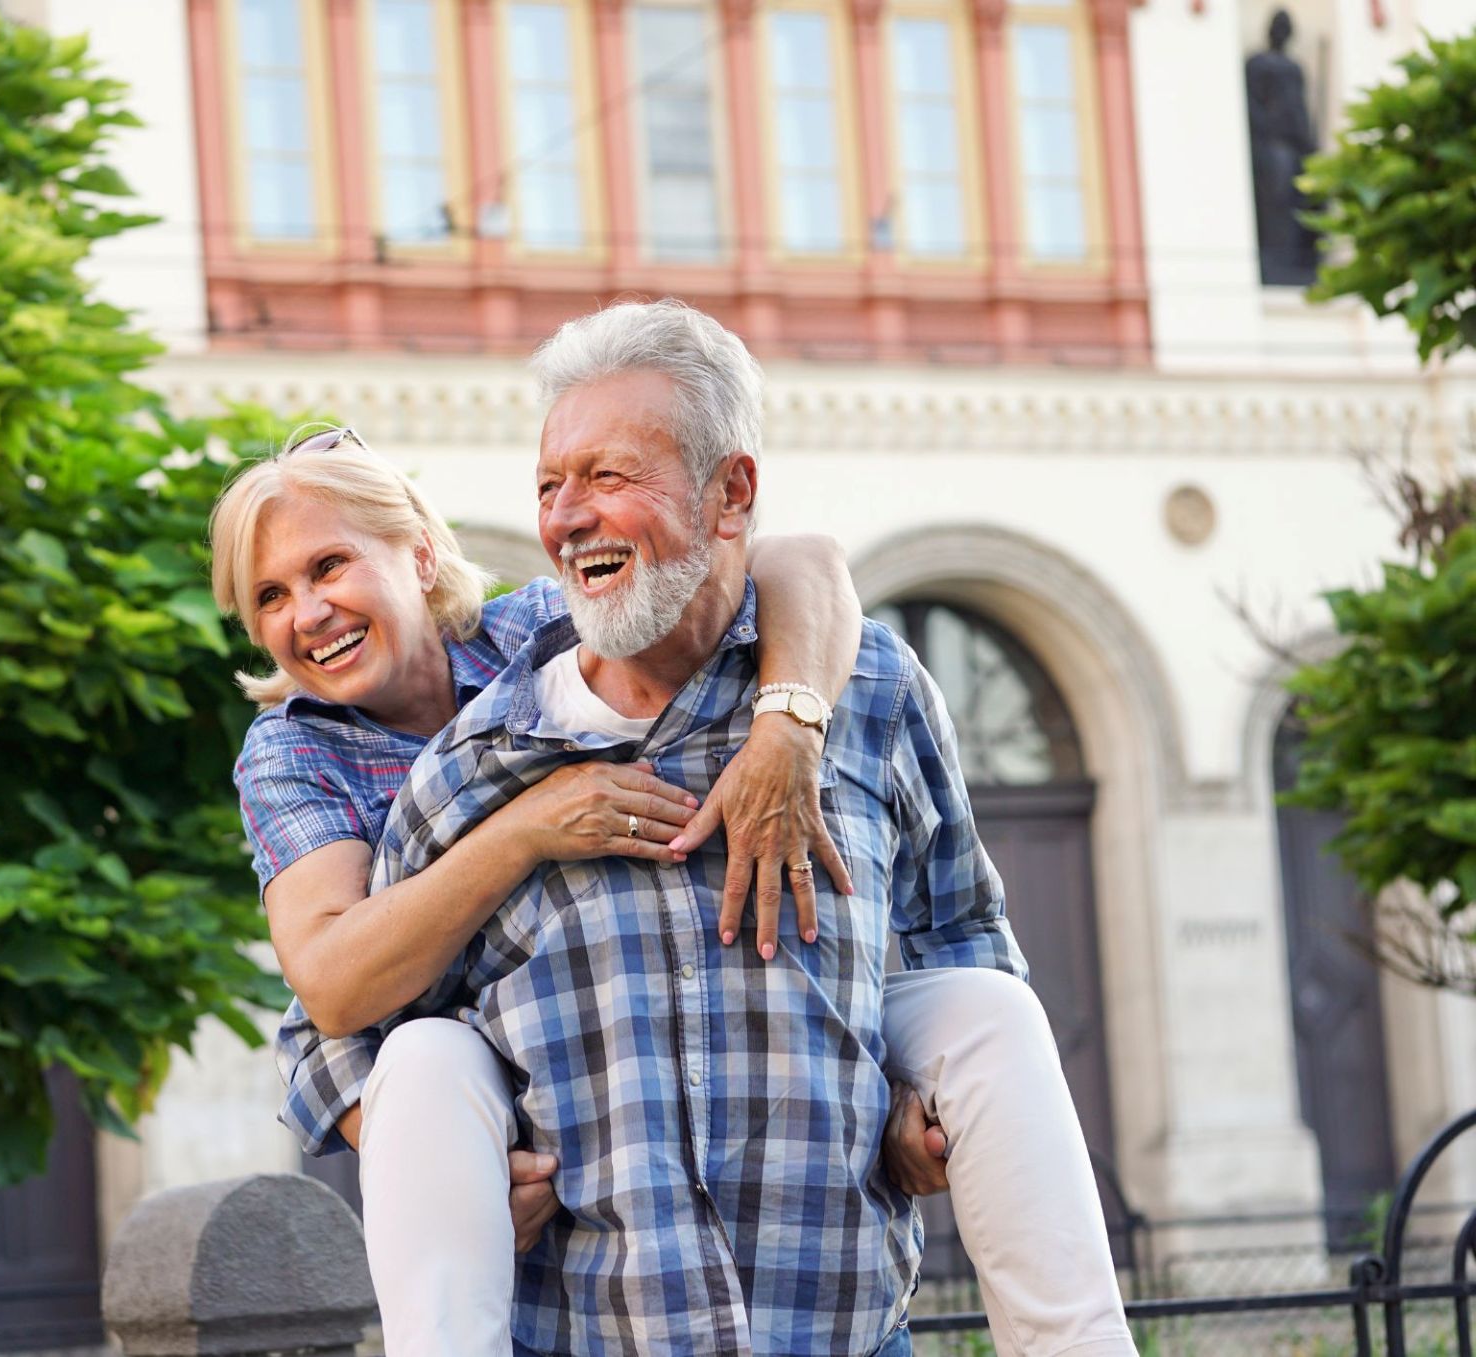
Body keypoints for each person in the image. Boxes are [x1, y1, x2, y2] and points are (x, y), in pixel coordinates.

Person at [220, 304, 1133, 1356]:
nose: (305, 613)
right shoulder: (323, 755)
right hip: (571, 1249)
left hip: (834, 1305)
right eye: (269, 596)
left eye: (329, 567)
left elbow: (799, 563)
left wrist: (790, 722)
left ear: (422, 558)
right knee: (425, 1055)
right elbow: (330, 1004)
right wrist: (454, 1164)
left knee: (986, 1006)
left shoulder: (544, 624)